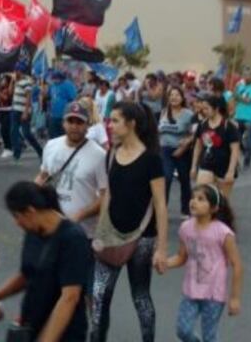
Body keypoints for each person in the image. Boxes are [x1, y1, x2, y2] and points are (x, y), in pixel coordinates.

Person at [90, 102, 169, 342]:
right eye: (109, 120)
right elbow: (108, 195)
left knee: (140, 297)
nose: (110, 125)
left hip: (142, 238)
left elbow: (160, 204)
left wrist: (161, 248)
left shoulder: (151, 159)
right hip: (111, 235)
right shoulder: (111, 154)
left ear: (131, 124)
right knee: (98, 294)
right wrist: (100, 230)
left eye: (115, 120)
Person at [0, 182, 91, 342]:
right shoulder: (33, 232)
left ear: (30, 211)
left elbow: (70, 297)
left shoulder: (72, 238)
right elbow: (27, 274)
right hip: (31, 325)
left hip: (64, 333)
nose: (16, 223)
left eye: (17, 216)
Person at [166, 184, 243, 342]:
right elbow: (181, 257)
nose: (194, 202)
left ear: (213, 208)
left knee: (209, 336)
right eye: (193, 198)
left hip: (214, 294)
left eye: (201, 199)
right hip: (191, 290)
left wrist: (234, 298)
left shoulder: (223, 232)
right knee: (183, 330)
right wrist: (164, 263)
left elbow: (237, 265)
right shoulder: (186, 228)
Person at [35, 101, 107, 237]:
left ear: (87, 126)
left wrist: (79, 215)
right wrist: (29, 195)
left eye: (79, 122)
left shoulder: (99, 155)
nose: (74, 126)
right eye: (70, 121)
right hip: (52, 227)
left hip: (84, 232)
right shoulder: (51, 146)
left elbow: (105, 196)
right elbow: (43, 176)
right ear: (63, 123)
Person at [191, 96, 241, 198]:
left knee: (223, 201)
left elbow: (235, 150)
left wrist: (231, 171)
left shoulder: (228, 126)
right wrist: (193, 167)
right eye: (203, 109)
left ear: (216, 109)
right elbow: (198, 146)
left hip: (224, 166)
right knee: (201, 194)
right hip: (206, 164)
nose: (204, 111)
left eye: (207, 108)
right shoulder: (202, 124)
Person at [158, 85, 196, 216]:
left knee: (184, 179)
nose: (174, 97)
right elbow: (159, 130)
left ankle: (186, 210)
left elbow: (195, 133)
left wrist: (185, 145)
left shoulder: (188, 114)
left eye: (177, 95)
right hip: (165, 150)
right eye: (171, 95)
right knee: (166, 177)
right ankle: (162, 209)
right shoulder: (164, 112)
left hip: (182, 151)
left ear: (182, 98)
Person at [233, 75, 251, 168]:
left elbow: (248, 100)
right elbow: (234, 97)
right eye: (245, 75)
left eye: (248, 75)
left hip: (250, 117)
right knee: (236, 140)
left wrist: (238, 96)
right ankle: (242, 153)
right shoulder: (240, 86)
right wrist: (236, 90)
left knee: (249, 141)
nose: (246, 78)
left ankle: (247, 161)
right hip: (238, 116)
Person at [47, 72, 78, 140]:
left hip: (64, 115)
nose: (54, 81)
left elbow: (73, 98)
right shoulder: (52, 85)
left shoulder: (68, 85)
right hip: (53, 115)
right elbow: (49, 97)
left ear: (60, 78)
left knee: (63, 136)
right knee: (52, 135)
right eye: (53, 79)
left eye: (55, 79)